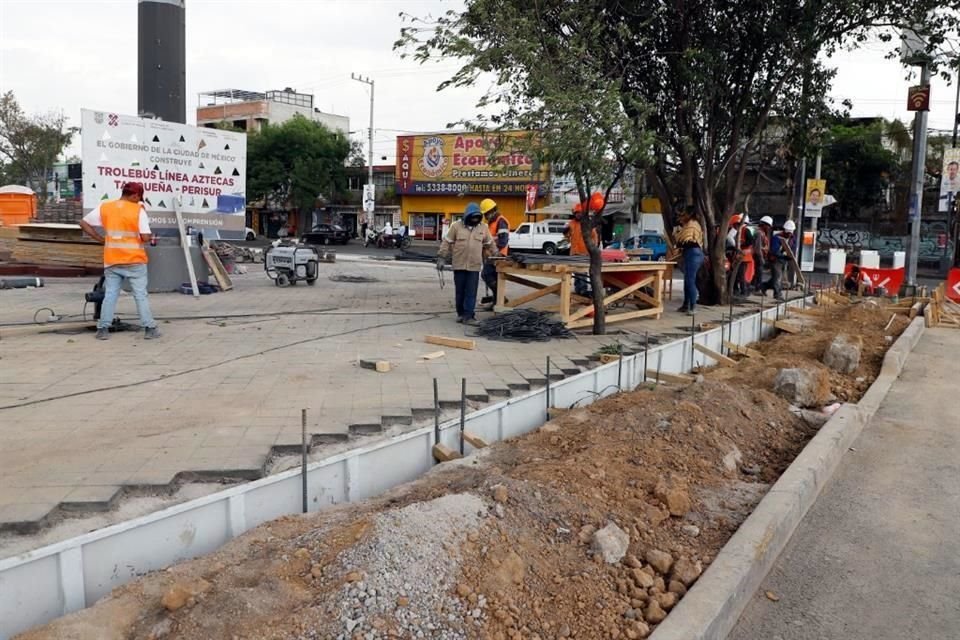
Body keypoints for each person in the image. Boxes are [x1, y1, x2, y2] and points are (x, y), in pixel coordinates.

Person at [78, 182, 161, 340]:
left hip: (112, 260)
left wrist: (100, 239)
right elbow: (144, 237)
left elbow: (83, 223)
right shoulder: (138, 210)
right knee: (140, 296)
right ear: (135, 195)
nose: (139, 200)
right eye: (139, 197)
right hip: (134, 260)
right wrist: (150, 237)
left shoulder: (106, 207)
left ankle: (102, 330)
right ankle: (150, 328)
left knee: (110, 295)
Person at [437, 203, 493, 323]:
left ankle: (469, 315)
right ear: (467, 216)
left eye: (477, 218)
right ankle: (461, 314)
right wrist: (441, 257)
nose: (474, 220)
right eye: (472, 218)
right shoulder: (456, 226)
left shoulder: (483, 228)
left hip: (474, 266)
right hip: (459, 264)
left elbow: (490, 244)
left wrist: (496, 255)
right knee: (460, 291)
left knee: (471, 292)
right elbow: (447, 242)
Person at [673, 207, 704, 314]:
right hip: (690, 253)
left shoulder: (692, 225)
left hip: (694, 254)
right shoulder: (687, 225)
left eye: (683, 215)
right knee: (687, 280)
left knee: (690, 280)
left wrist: (679, 243)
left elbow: (689, 241)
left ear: (689, 215)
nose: (681, 217)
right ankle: (686, 305)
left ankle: (693, 306)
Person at [564, 201, 599, 297]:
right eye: (577, 213)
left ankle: (583, 289)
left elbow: (594, 237)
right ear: (574, 213)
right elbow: (567, 237)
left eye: (580, 213)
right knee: (576, 272)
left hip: (584, 253)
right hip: (574, 252)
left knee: (582, 272)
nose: (578, 215)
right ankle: (578, 289)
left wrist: (593, 250)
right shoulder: (571, 223)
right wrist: (565, 233)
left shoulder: (587, 224)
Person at [480, 198, 509, 309]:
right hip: (492, 256)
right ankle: (498, 301)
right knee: (494, 278)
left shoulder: (501, 221)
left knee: (486, 274)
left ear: (492, 211)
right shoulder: (491, 223)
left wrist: (492, 251)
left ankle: (500, 298)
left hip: (498, 256)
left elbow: (503, 241)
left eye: (486, 213)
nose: (486, 216)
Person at [762, 219, 795, 301]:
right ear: (784, 230)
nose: (789, 234)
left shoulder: (792, 238)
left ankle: (764, 286)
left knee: (775, 278)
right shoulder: (777, 238)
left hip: (783, 260)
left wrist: (790, 255)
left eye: (791, 233)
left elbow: (793, 247)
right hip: (775, 260)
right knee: (778, 277)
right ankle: (778, 294)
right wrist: (783, 256)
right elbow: (774, 250)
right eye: (788, 233)